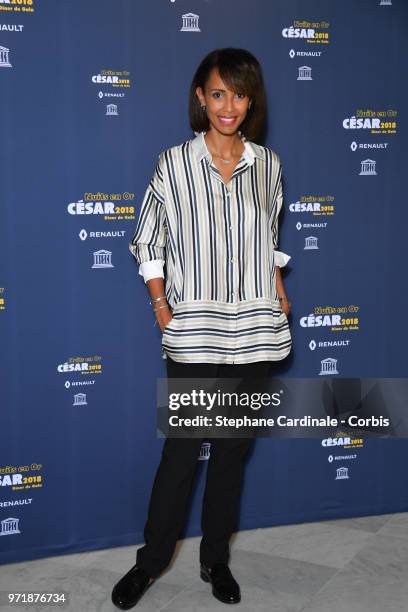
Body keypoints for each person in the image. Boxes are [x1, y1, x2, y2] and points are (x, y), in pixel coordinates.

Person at [111, 47, 292, 610]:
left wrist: (280, 293)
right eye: (218, 93)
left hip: (255, 334)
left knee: (233, 454)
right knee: (183, 454)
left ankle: (215, 560)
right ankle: (149, 564)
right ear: (200, 97)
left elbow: (268, 240)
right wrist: (161, 305)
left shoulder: (270, 165)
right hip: (194, 335)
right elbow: (147, 240)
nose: (229, 106)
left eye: (240, 94)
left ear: (251, 99)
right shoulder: (173, 165)